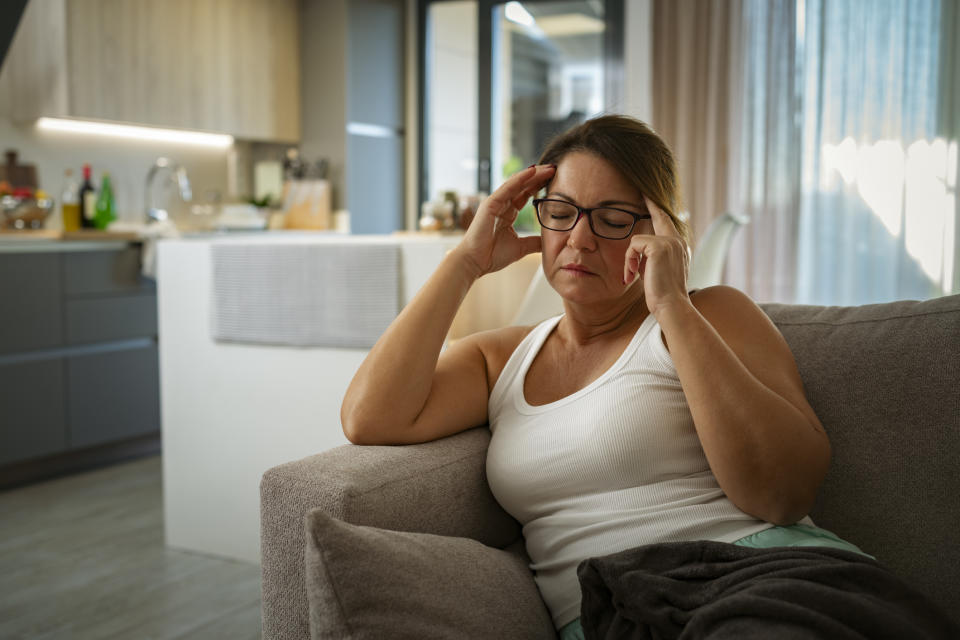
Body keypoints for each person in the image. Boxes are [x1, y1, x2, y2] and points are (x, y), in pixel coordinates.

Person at [341, 115, 864, 639]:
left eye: (613, 218)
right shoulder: (501, 357)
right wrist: (465, 262)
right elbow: (369, 417)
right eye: (562, 212)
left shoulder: (711, 315)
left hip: (758, 582)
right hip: (610, 616)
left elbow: (782, 496)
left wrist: (672, 306)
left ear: (658, 229)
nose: (580, 239)